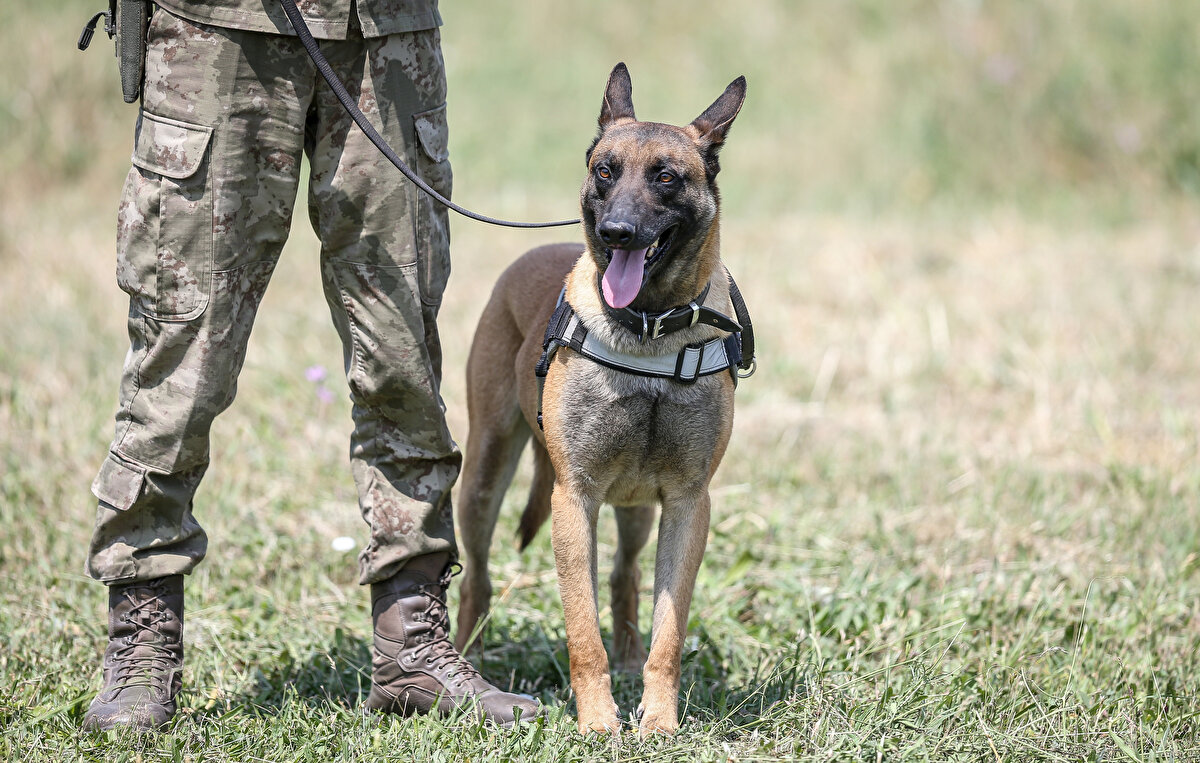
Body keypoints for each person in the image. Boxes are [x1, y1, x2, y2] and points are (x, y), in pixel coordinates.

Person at [82, 0, 538, 730]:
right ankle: (141, 635)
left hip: (386, 33)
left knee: (402, 355)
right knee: (183, 351)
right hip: (217, 29)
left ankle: (412, 640)